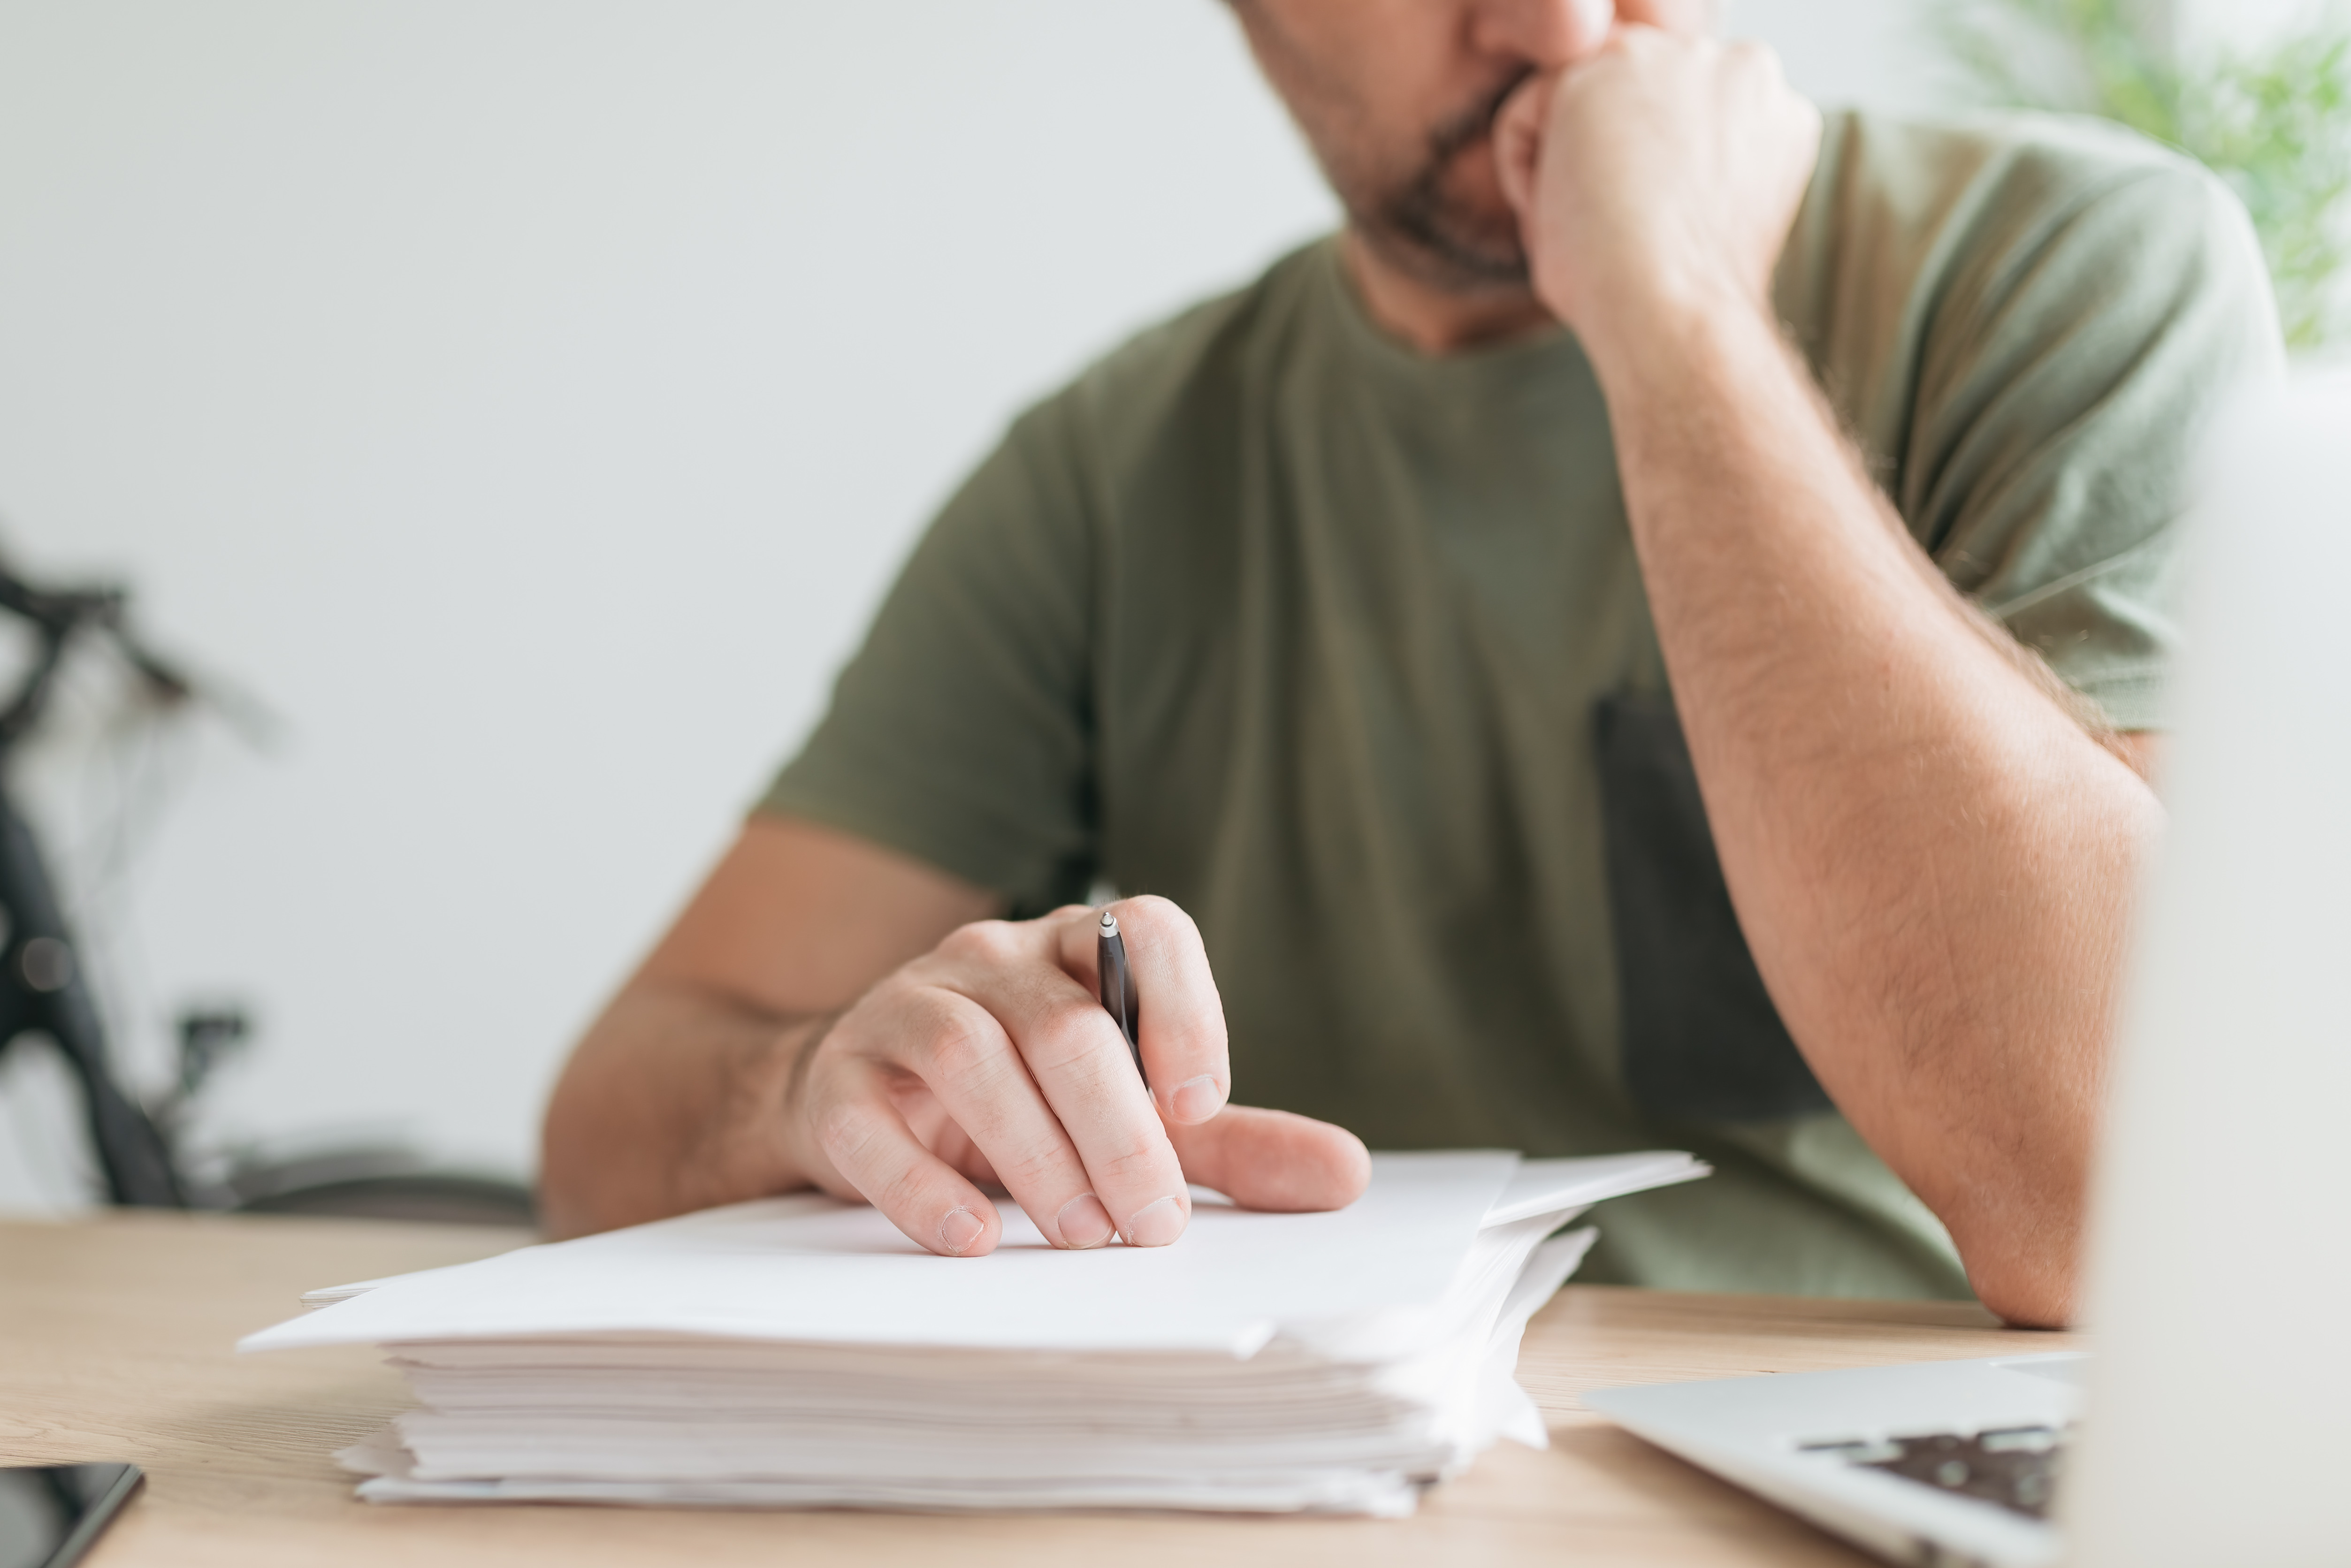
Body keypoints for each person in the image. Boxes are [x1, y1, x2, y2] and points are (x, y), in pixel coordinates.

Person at [540, 0, 2280, 1327]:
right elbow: (612, 1122)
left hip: (1849, 1473)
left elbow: (2113, 1194)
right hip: (1318, 1477)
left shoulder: (2065, 275)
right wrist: (821, 1085)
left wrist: (1672, 314)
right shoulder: (1120, 468)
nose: (1560, 25)